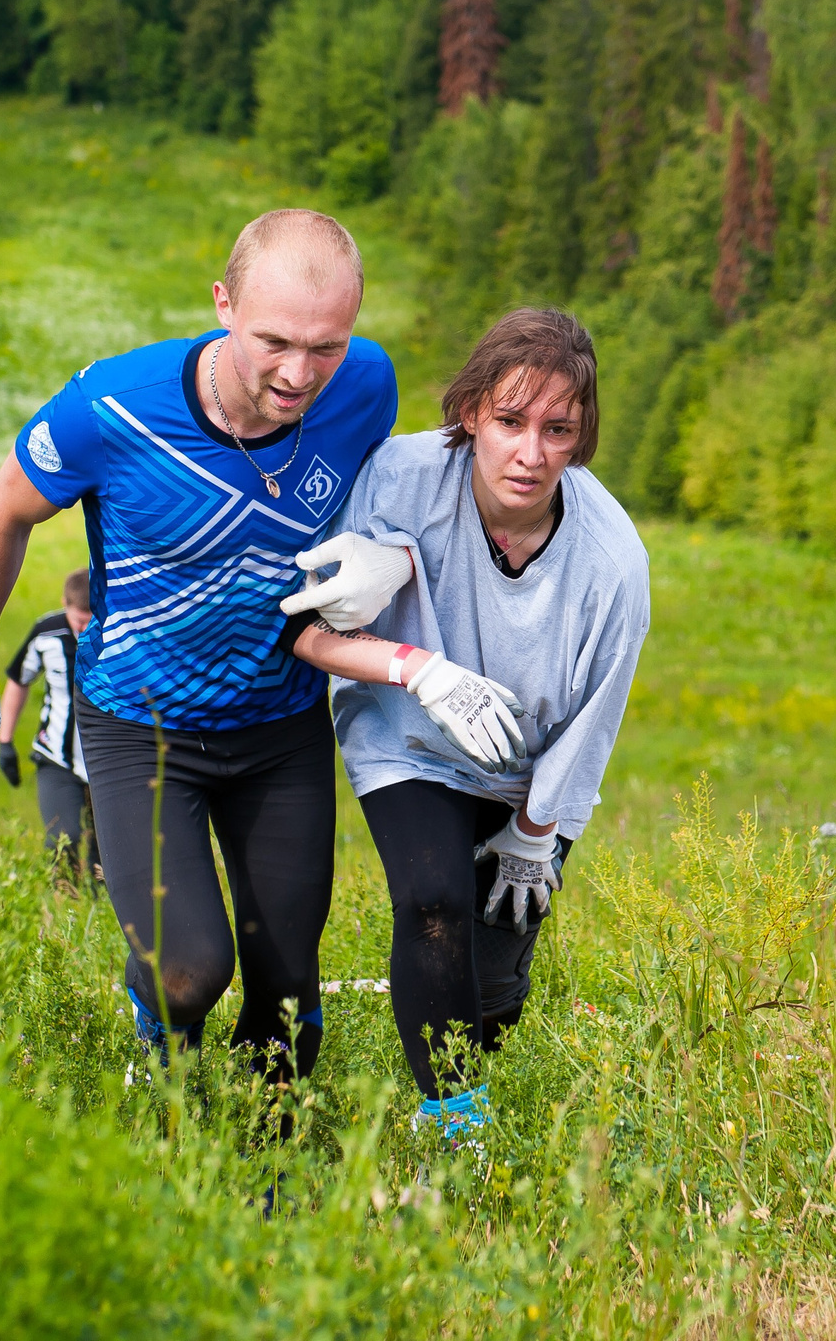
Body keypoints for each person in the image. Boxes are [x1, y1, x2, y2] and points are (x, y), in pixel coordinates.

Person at [0, 210, 489, 1088]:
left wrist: (389, 552)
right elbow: (4, 511)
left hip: (280, 725)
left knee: (288, 984)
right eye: (276, 342)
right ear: (223, 304)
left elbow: (384, 495)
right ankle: (159, 1033)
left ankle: (273, 1174)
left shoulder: (366, 383)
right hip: (140, 726)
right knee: (191, 972)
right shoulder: (112, 409)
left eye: (326, 346)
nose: (301, 374)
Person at [288, 309, 650, 1146]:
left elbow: (597, 719)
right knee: (433, 903)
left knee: (490, 982)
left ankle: (479, 1048)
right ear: (470, 413)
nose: (531, 454)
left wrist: (535, 831)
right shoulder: (403, 476)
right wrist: (404, 634)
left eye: (558, 429)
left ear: (582, 435)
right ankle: (454, 1130)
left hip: (529, 770)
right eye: (510, 422)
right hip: (409, 732)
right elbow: (311, 630)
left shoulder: (614, 564)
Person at [0, 567, 101, 884]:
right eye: (78, 620)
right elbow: (19, 680)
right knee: (62, 837)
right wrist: (5, 741)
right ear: (64, 604)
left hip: (105, 757)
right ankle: (66, 906)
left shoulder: (118, 630)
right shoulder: (46, 633)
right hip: (55, 756)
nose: (84, 628)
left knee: (108, 849)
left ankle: (103, 914)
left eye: (90, 619)